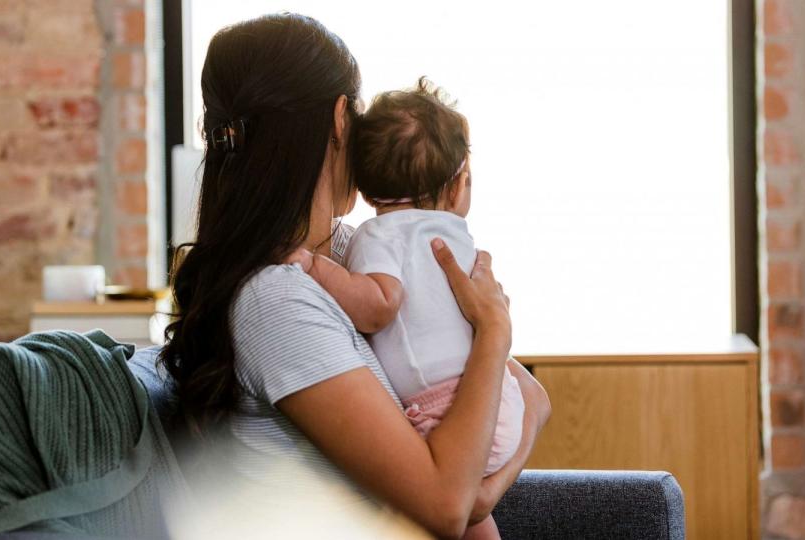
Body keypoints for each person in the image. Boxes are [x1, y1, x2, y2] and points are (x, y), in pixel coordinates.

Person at [159, 13, 551, 539]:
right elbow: (449, 503)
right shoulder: (276, 298)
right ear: (342, 119)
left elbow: (532, 398)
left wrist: (482, 478)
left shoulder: (345, 253)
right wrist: (496, 331)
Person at [288, 78, 522, 539]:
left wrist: (316, 267)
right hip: (497, 399)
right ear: (458, 186)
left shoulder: (379, 236)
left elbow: (377, 305)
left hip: (445, 409)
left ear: (369, 190)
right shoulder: (456, 236)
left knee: (415, 506)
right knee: (473, 516)